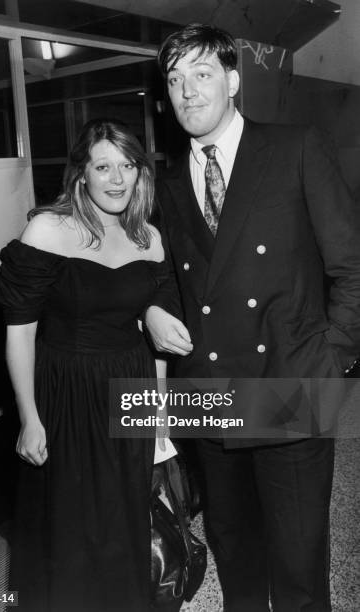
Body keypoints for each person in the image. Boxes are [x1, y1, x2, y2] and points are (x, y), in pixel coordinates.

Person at [145, 23, 360, 612]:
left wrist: (331, 361)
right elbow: (164, 277)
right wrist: (152, 309)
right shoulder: (165, 183)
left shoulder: (295, 147)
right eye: (175, 77)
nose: (188, 91)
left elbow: (352, 265)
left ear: (234, 80)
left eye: (203, 73)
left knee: (297, 567)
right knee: (233, 550)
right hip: (208, 393)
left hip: (291, 382)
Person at [0, 118, 175, 612]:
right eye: (103, 166)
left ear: (141, 173)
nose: (117, 178)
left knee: (124, 511)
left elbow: (155, 337)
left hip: (129, 382)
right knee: (71, 519)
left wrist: (158, 411)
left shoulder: (150, 239)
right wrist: (29, 417)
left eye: (128, 165)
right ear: (82, 175)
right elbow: (21, 333)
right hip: (67, 391)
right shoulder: (49, 229)